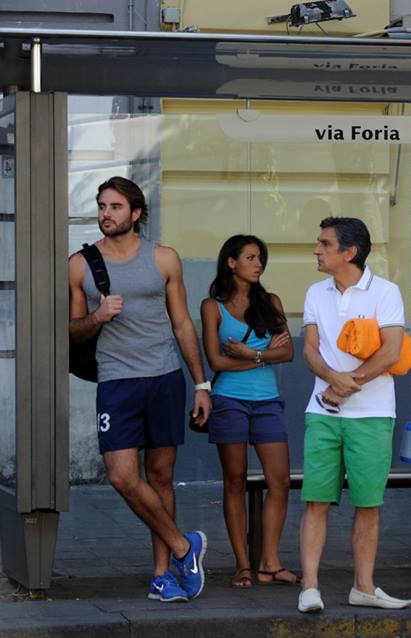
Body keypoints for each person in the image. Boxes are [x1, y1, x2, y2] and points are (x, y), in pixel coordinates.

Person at [67, 176, 211, 602]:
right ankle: (186, 546)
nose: (105, 214)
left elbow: (183, 323)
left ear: (135, 213)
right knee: (122, 476)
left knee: (161, 476)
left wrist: (200, 383)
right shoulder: (80, 264)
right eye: (101, 206)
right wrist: (97, 318)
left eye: (114, 206)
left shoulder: (164, 259)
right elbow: (73, 332)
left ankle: (163, 574)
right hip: (116, 380)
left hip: (164, 377)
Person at [297, 217, 411, 613]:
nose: (317, 250)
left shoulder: (386, 291)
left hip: (373, 414)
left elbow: (392, 350)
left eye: (324, 244)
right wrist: (332, 379)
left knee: (368, 504)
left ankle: (364, 587)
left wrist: (348, 382)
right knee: (315, 500)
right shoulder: (316, 292)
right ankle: (309, 587)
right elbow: (310, 349)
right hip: (322, 411)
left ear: (350, 252)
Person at [199, 235, 296, 589]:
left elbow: (287, 354)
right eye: (251, 258)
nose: (258, 264)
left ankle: (270, 562)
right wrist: (262, 354)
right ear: (231, 262)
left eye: (261, 259)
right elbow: (215, 360)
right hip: (229, 401)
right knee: (235, 481)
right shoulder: (212, 306)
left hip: (268, 400)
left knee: (280, 481)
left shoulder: (270, 302)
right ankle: (243, 565)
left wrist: (248, 354)